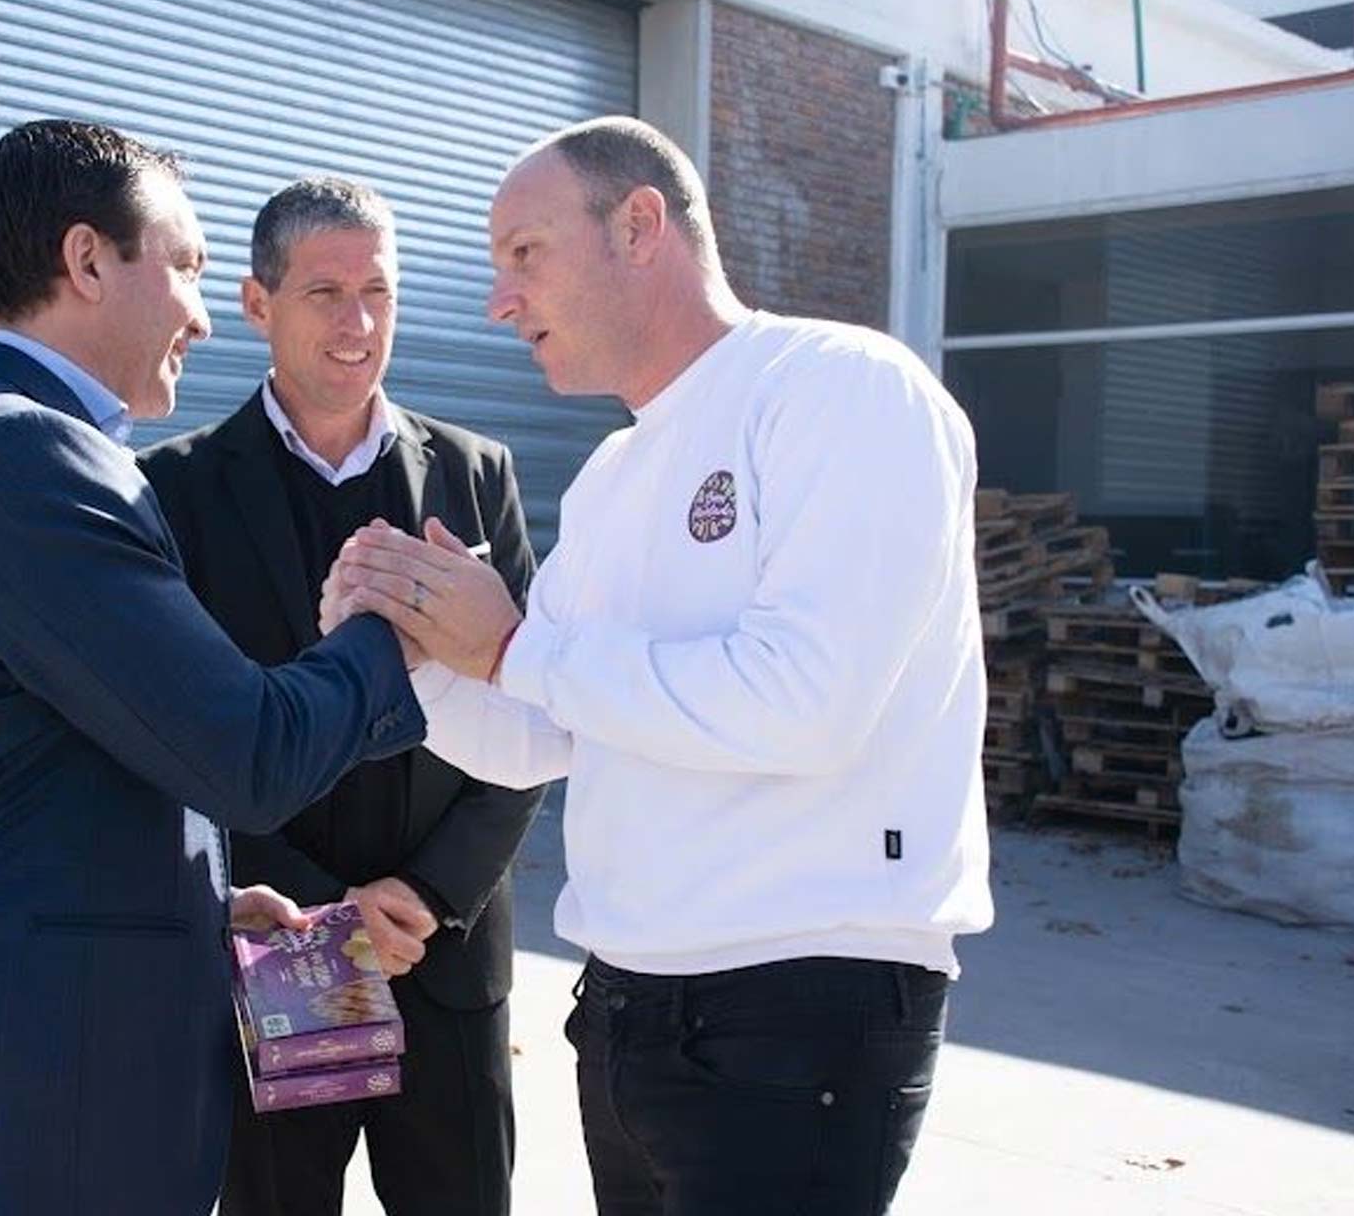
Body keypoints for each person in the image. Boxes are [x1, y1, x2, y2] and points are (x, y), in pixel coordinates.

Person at [323, 116, 994, 1216]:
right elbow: (542, 727)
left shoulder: (842, 389)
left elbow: (806, 705)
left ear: (640, 225)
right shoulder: (616, 467)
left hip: (800, 1007)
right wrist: (413, 651)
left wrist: (508, 644)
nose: (500, 300)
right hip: (632, 1008)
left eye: (524, 254)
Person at [0, 121, 425, 1216]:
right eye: (185, 266)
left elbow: (33, 763)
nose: (204, 313)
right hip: (13, 1086)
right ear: (86, 261)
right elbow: (247, 751)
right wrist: (393, 620)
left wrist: (196, 897)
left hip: (12, 1050)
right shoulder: (28, 453)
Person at [140, 177, 544, 1216]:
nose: (359, 322)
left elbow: (534, 709)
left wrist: (432, 892)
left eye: (379, 289)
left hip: (442, 953)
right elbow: (169, 732)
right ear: (257, 302)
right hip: (281, 947)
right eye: (325, 290)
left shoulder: (474, 473)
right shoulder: (176, 491)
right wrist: (325, 914)